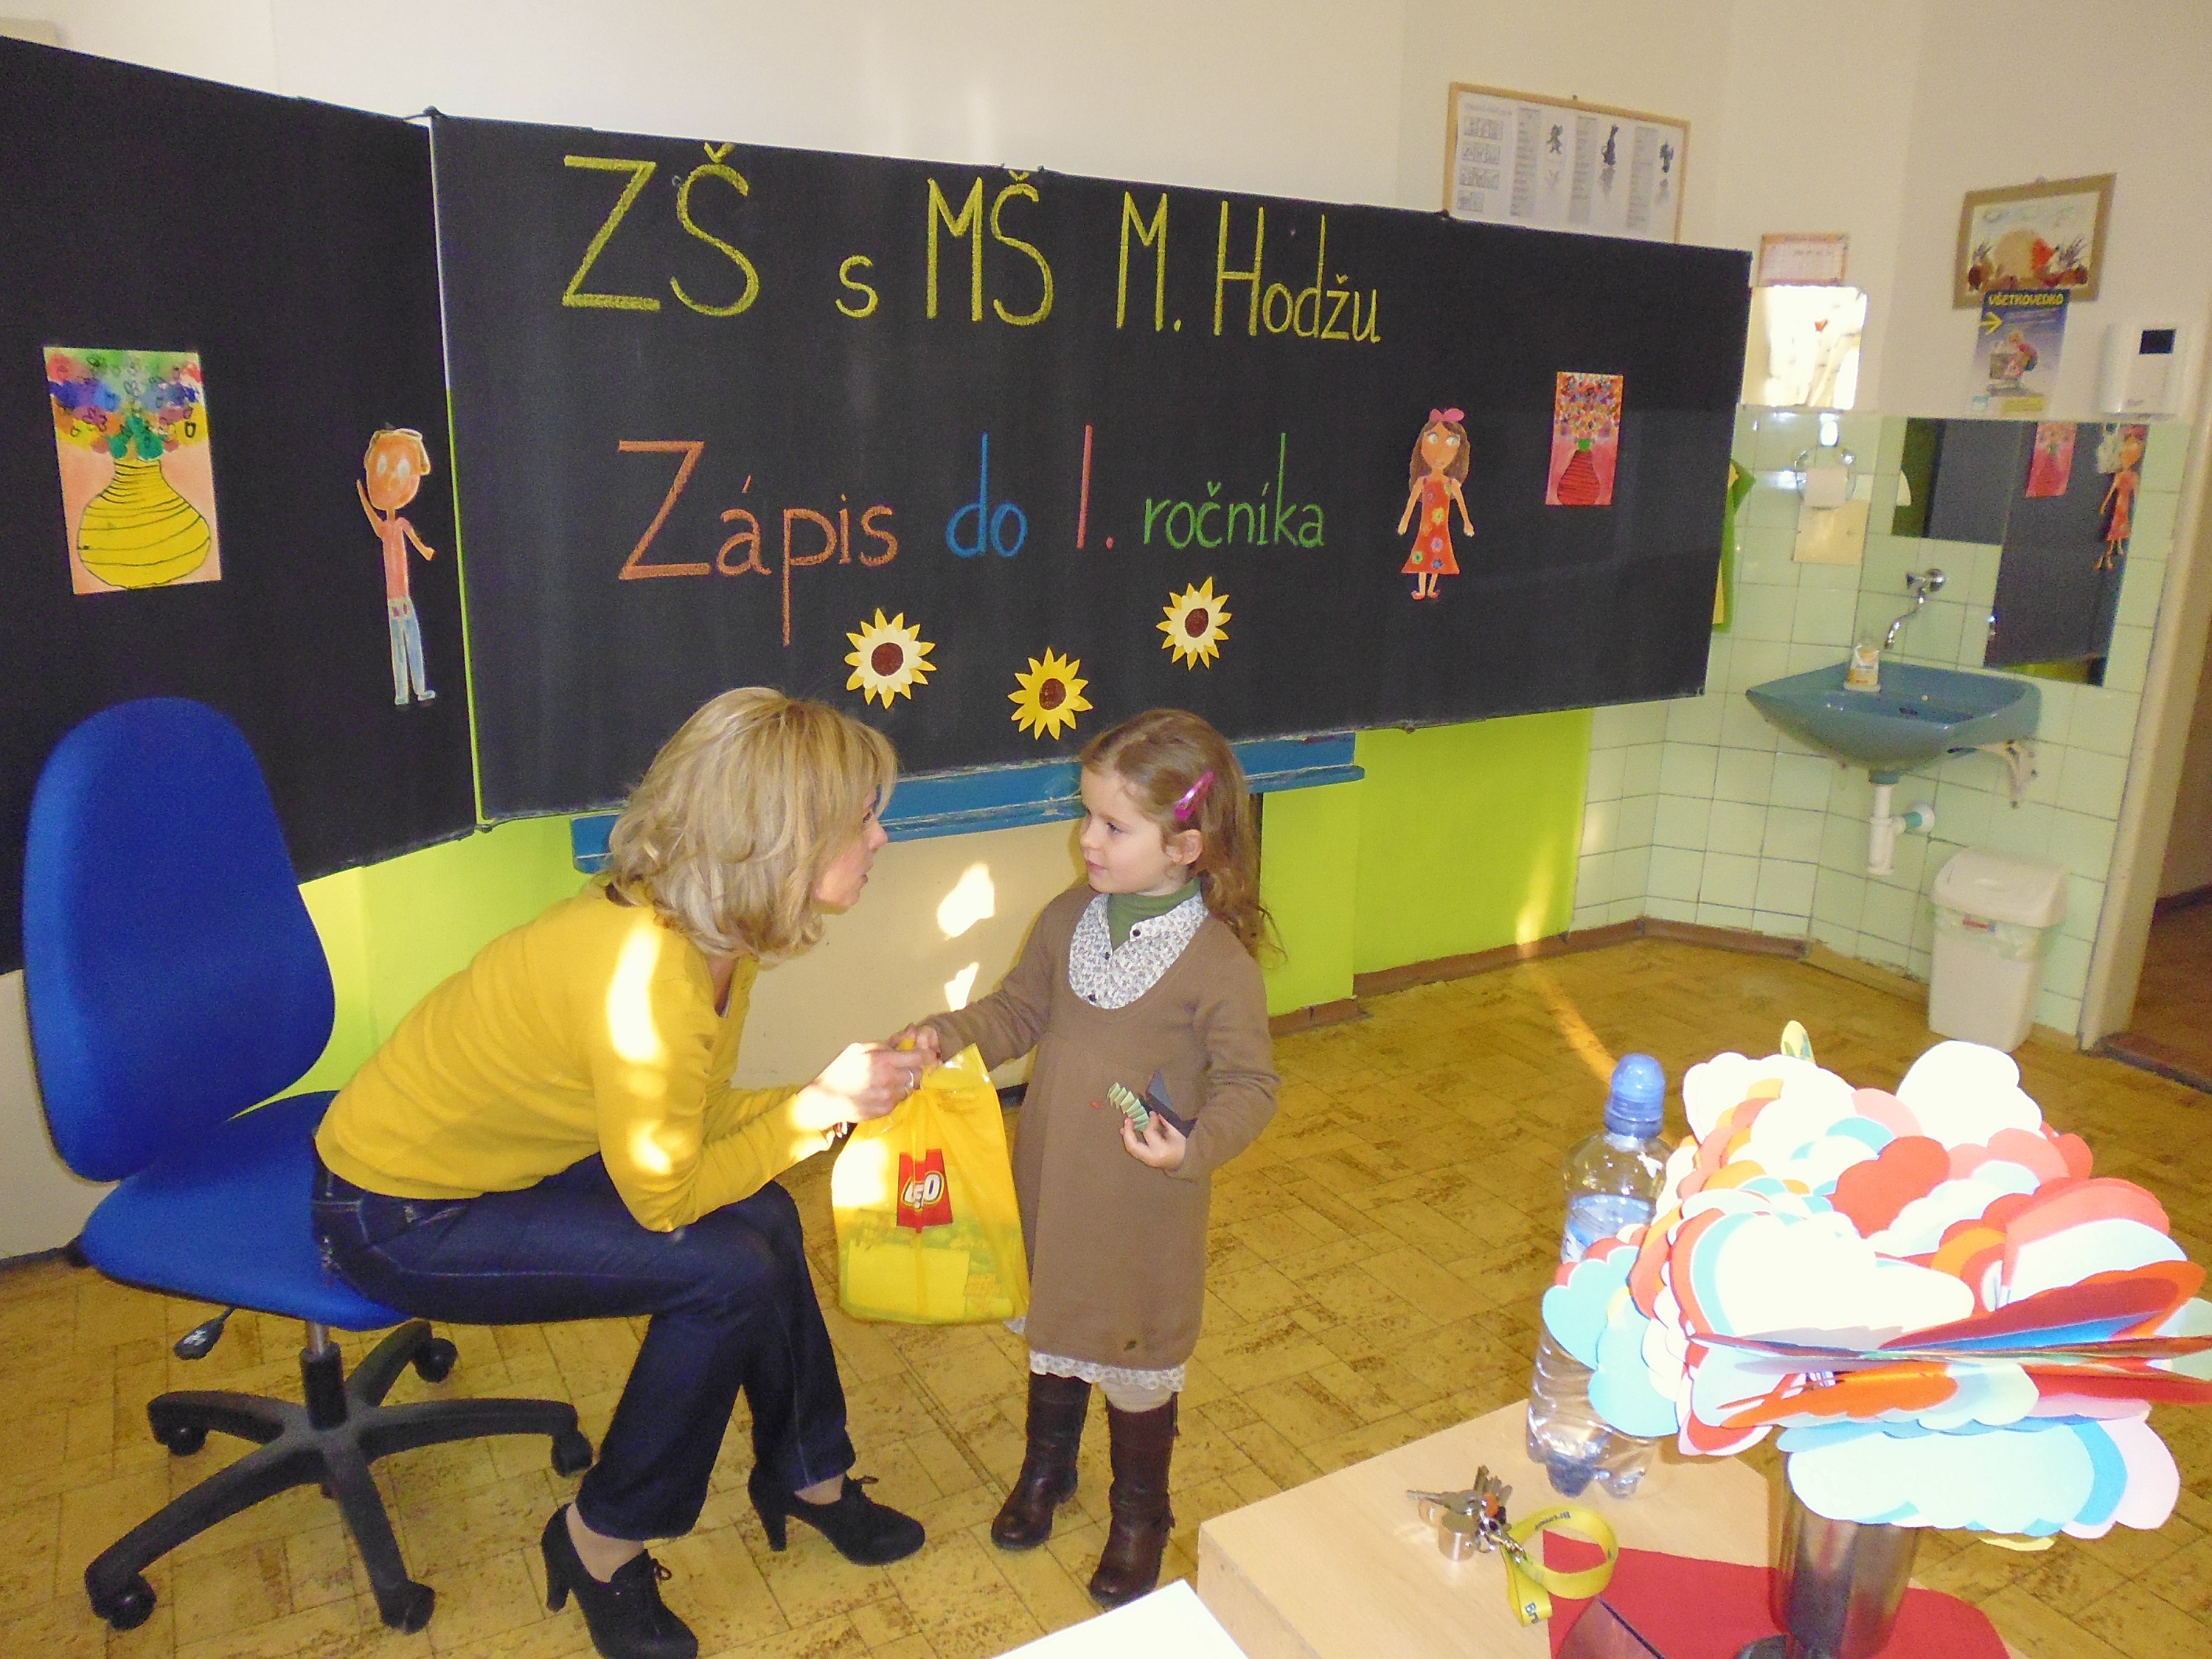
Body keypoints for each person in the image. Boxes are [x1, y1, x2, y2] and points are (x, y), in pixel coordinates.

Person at [311, 688, 928, 1659]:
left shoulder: (714, 935)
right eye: (862, 820)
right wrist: (817, 1109)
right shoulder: (650, 977)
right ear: (781, 842)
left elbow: (691, 1123)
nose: (881, 836)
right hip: (393, 1211)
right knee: (725, 1271)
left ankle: (808, 1474)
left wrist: (828, 1097)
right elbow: (665, 1198)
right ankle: (600, 1540)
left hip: (497, 1168)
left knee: (764, 1216)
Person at [907, 709, 1278, 1607]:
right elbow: (1017, 1013)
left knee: (1133, 1349)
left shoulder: (1218, 964)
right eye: (1087, 816)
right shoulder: (1069, 915)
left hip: (1143, 1206)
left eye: (1113, 826)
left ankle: (1142, 1511)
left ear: (1186, 846)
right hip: (1052, 1181)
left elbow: (1250, 1086)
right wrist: (943, 1037)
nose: (1087, 840)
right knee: (1056, 1325)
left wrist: (1193, 1146)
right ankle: (1049, 1467)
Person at [356, 426, 437, 706]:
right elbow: (373, 519)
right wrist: (363, 496)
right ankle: (403, 693)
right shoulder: (386, 528)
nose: (390, 480)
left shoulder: (401, 524)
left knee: (410, 640)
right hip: (395, 599)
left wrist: (426, 551)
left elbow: (416, 542)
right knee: (399, 645)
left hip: (402, 597)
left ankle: (419, 689)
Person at [1397, 408, 1473, 601]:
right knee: (1423, 555)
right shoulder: (1423, 482)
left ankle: (1431, 590)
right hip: (1426, 528)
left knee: (1438, 559)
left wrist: (1467, 523)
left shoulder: (1451, 484)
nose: (1440, 452)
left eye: (1450, 443)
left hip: (1441, 529)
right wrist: (1405, 521)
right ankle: (1422, 590)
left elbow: (1462, 504)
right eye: (1433, 440)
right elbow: (1411, 503)